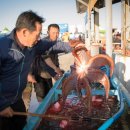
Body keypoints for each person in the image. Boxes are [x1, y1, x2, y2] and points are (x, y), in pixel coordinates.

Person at [0, 10, 72, 130]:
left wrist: (73, 46)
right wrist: (1, 105)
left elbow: (53, 45)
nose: (39, 38)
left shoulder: (33, 45)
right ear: (24, 32)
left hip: (17, 100)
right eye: (37, 34)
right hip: (3, 101)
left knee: (22, 124)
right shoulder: (3, 47)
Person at [30, 24, 72, 102]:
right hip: (39, 74)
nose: (56, 35)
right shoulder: (43, 43)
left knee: (50, 95)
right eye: (53, 33)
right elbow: (44, 62)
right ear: (48, 32)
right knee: (42, 97)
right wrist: (55, 73)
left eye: (57, 33)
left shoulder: (55, 42)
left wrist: (75, 46)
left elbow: (60, 50)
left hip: (48, 74)